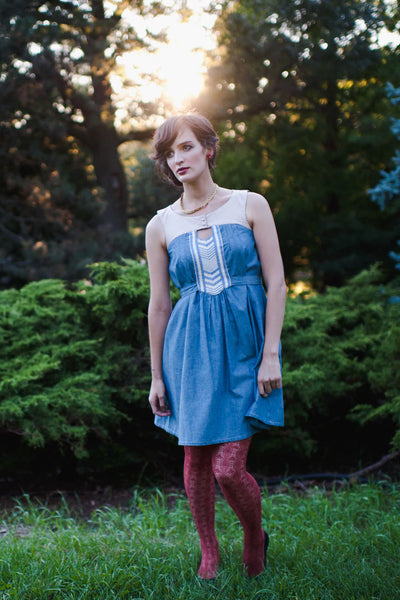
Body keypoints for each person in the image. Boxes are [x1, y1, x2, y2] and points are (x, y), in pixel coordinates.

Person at [145, 113, 286, 580]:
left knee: (228, 467)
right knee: (195, 459)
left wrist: (271, 353)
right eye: (169, 154)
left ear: (208, 149)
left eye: (186, 147)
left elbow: (277, 283)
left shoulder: (249, 204)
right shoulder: (161, 225)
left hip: (246, 347)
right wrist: (156, 376)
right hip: (189, 350)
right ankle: (209, 550)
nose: (177, 159)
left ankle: (253, 535)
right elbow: (160, 305)